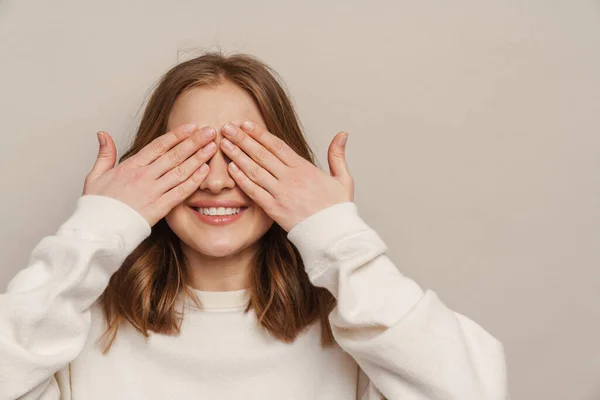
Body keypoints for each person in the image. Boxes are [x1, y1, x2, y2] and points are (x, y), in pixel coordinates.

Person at [0, 52, 508, 400]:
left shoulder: (360, 328)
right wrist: (95, 230)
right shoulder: (71, 327)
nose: (218, 181)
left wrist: (338, 237)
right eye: (191, 154)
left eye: (245, 155)